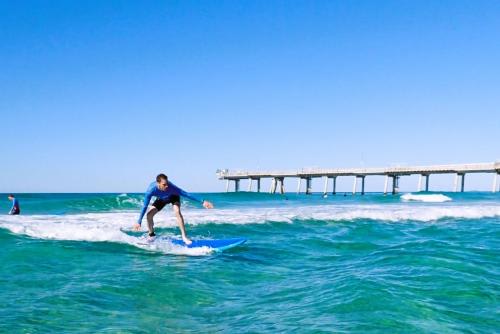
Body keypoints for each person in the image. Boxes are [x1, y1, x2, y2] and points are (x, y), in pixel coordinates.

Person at [133, 174, 213, 244]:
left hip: (173, 196)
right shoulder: (151, 190)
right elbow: (145, 206)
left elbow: (186, 194)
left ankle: (184, 237)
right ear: (158, 183)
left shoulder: (171, 188)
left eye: (167, 184)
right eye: (164, 184)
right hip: (162, 199)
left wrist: (202, 201)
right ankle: (151, 235)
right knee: (149, 215)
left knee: (177, 211)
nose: (166, 186)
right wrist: (139, 221)